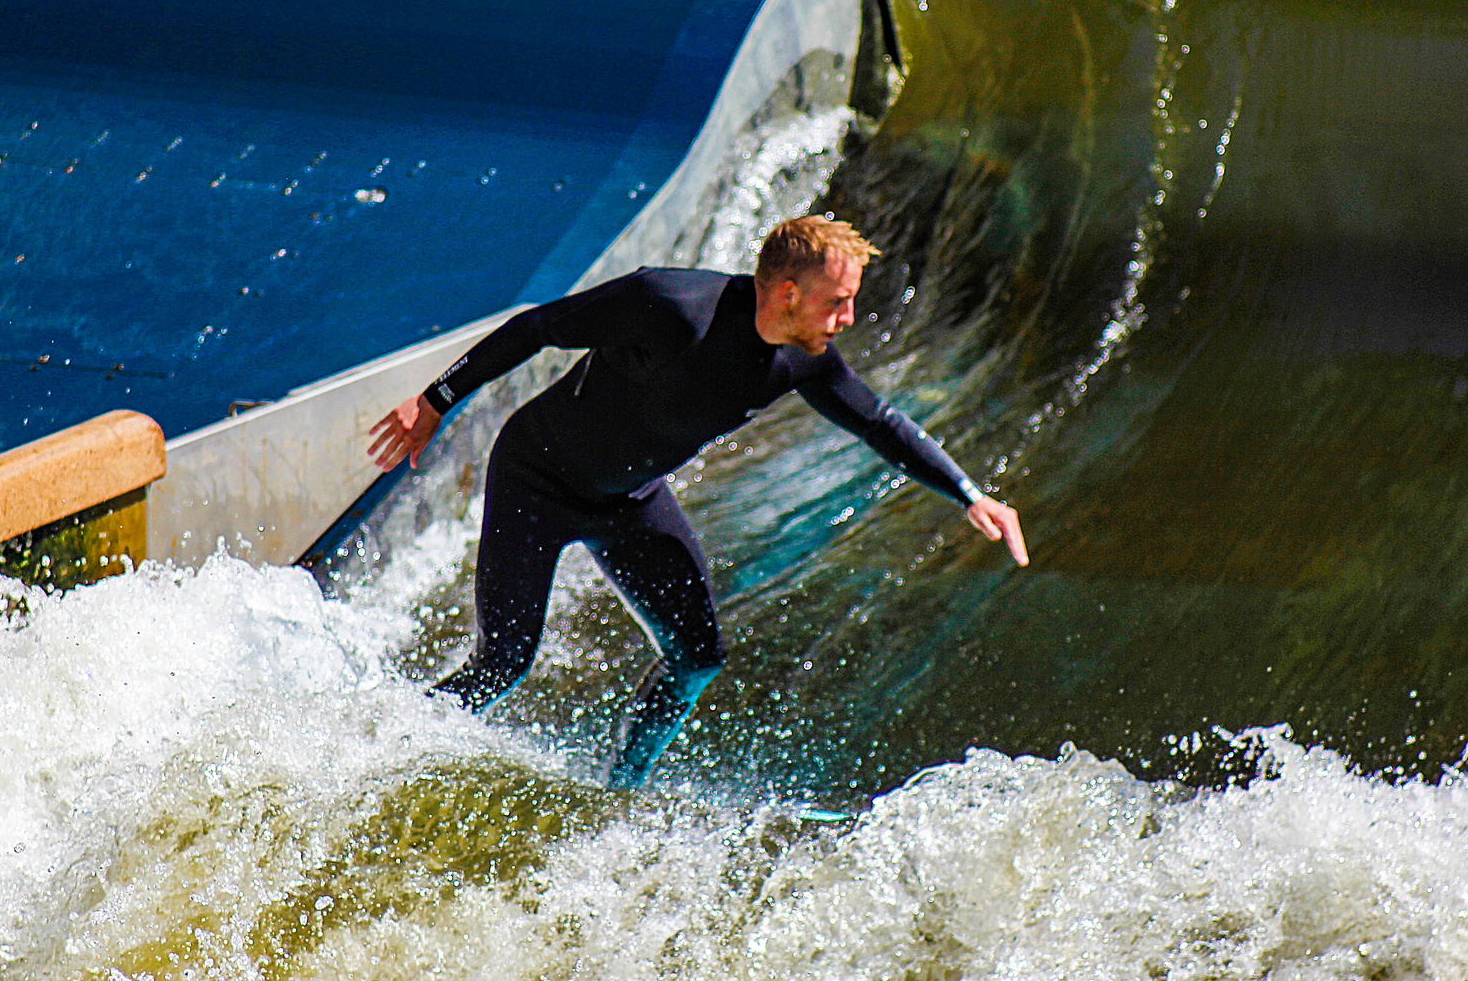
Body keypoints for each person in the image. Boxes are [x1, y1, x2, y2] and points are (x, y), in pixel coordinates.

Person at [368, 215, 1028, 787]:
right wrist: (434, 401)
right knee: (504, 661)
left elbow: (878, 421)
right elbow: (539, 326)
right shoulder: (669, 302)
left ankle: (621, 789)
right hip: (535, 480)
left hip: (630, 501)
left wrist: (970, 494)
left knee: (697, 656)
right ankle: (379, 744)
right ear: (789, 293)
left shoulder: (804, 358)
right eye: (839, 301)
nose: (847, 318)